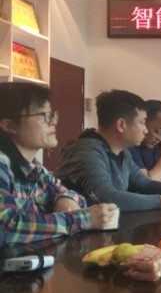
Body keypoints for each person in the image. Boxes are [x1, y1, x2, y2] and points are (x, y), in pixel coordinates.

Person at [0, 83, 117, 244]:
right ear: (9, 126)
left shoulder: (36, 169)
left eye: (52, 114)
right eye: (44, 115)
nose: (54, 122)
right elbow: (5, 227)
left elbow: (76, 198)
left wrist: (64, 198)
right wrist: (84, 219)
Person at [55, 90, 161, 212]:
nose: (145, 130)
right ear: (121, 125)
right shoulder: (87, 151)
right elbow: (106, 198)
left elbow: (146, 185)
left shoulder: (123, 153)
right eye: (142, 123)